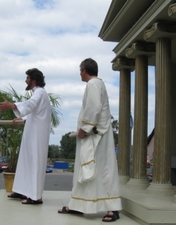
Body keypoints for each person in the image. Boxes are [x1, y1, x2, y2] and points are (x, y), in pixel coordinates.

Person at [58, 58, 122, 222]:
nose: (80, 73)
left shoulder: (93, 84)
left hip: (95, 137)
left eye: (80, 70)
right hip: (94, 135)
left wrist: (84, 129)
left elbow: (94, 107)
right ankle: (78, 205)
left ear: (84, 70)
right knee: (85, 171)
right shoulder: (98, 84)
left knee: (102, 171)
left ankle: (113, 209)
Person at [0, 68, 51, 204]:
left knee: (35, 163)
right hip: (32, 133)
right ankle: (23, 191)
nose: (25, 80)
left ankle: (36, 197)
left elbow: (30, 105)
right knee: (25, 161)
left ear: (34, 80)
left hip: (37, 136)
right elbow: (35, 113)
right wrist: (23, 119)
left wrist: (12, 105)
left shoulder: (39, 93)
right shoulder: (37, 93)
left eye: (27, 78)